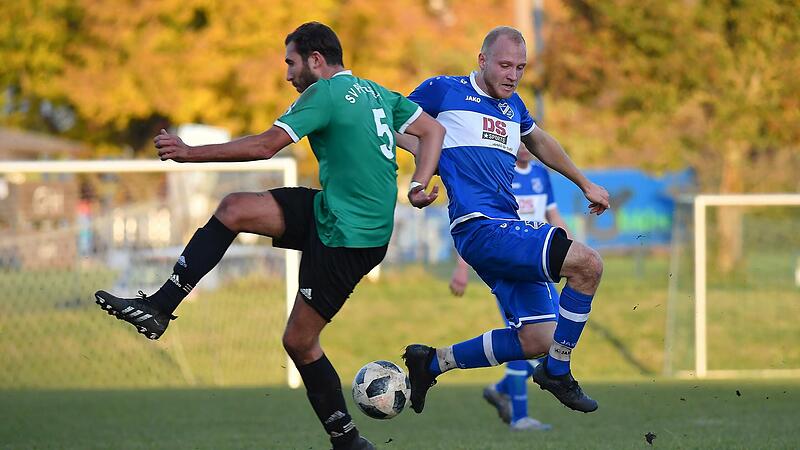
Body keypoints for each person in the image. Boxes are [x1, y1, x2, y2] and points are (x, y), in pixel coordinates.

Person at [94, 22, 444, 450]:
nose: (287, 74)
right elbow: (432, 132)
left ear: (316, 60)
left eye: (291, 62)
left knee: (298, 341)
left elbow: (264, 147)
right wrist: (417, 183)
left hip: (349, 239)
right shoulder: (375, 92)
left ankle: (347, 440)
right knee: (235, 208)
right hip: (332, 212)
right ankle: (160, 307)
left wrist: (189, 154)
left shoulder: (325, 93)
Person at [394, 26, 609, 417]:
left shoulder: (514, 107)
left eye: (521, 68)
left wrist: (584, 182)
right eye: (505, 65)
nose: (513, 75)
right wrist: (429, 165)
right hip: (481, 226)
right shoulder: (444, 90)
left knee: (539, 337)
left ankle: (432, 363)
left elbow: (540, 141)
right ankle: (558, 372)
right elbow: (395, 124)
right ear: (482, 60)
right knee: (588, 264)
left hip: (502, 226)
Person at [449, 144, 572, 431]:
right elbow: (477, 222)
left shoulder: (541, 175)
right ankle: (519, 417)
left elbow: (553, 215)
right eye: (520, 141)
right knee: (526, 338)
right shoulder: (498, 173)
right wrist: (462, 267)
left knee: (553, 338)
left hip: (540, 263)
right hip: (513, 265)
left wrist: (572, 251)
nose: (525, 148)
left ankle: (501, 388)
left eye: (529, 142)